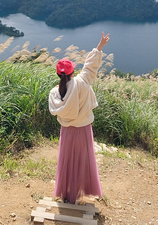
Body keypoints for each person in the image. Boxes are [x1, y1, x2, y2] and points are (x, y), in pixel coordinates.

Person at [48, 32, 110, 204]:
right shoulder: (82, 82)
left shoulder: (55, 92)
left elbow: (54, 109)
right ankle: (85, 190)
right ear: (72, 72)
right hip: (83, 129)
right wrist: (99, 47)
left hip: (67, 130)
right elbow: (90, 67)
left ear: (58, 74)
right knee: (84, 160)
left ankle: (67, 194)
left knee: (67, 161)